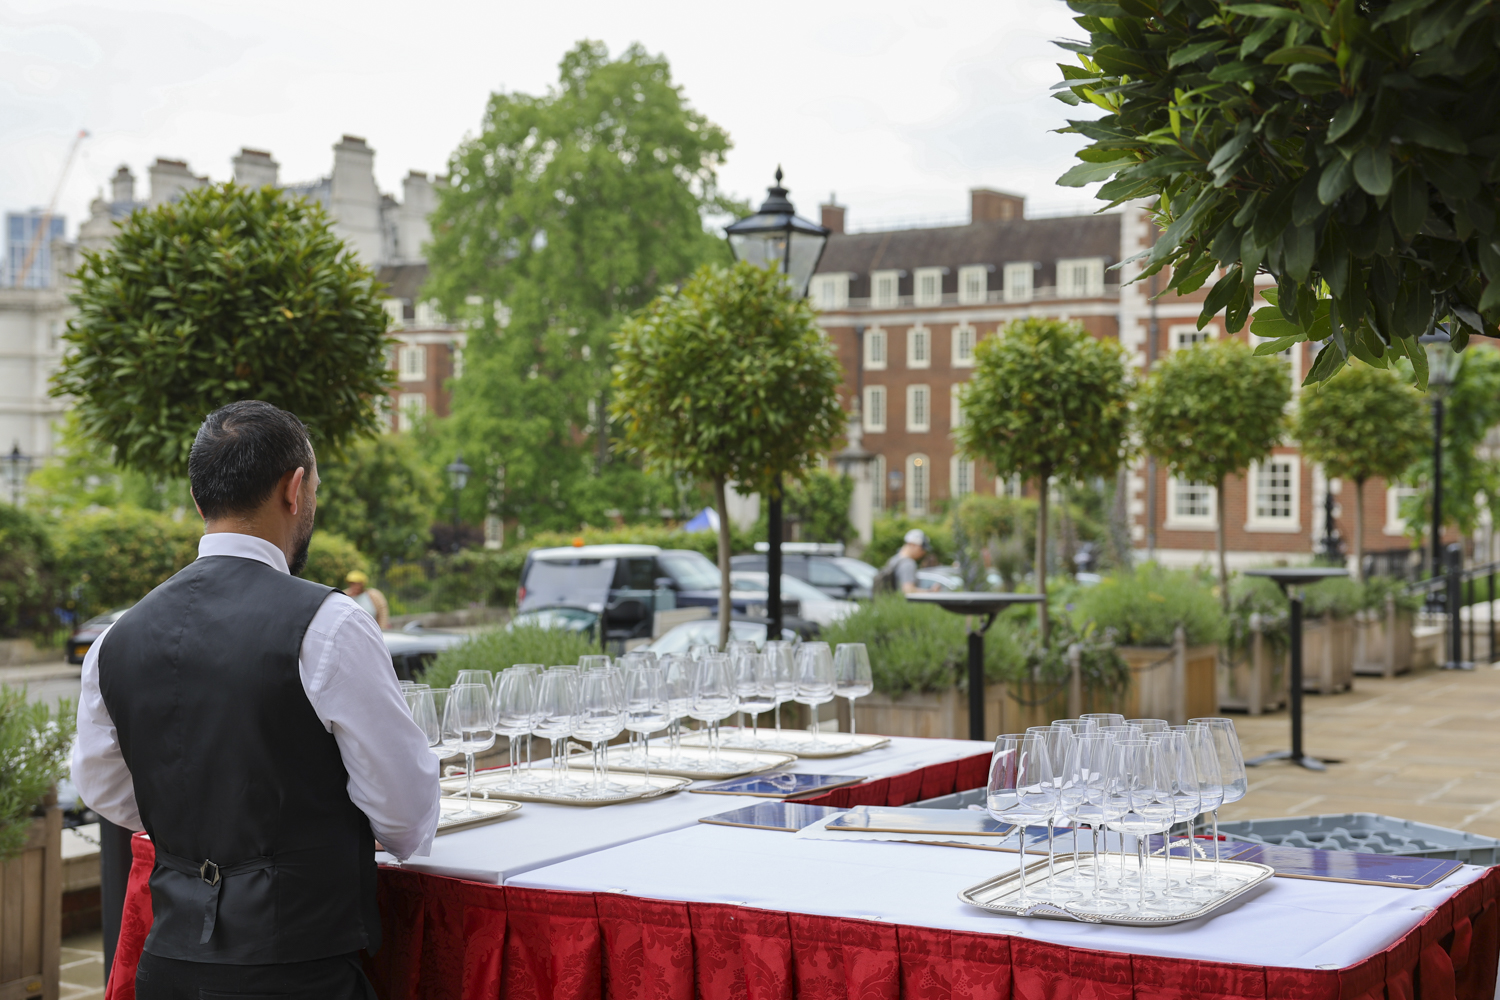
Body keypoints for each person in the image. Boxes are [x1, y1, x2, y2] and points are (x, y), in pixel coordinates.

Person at [72, 400, 439, 1000]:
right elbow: (404, 813)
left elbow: (104, 788)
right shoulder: (329, 623)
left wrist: (207, 826)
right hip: (300, 969)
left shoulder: (118, 637)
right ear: (295, 489)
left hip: (170, 966)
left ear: (199, 501)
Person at [877, 528, 941, 594]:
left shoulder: (894, 560)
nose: (923, 552)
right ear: (913, 545)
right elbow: (908, 590)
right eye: (922, 548)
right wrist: (930, 592)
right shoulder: (908, 563)